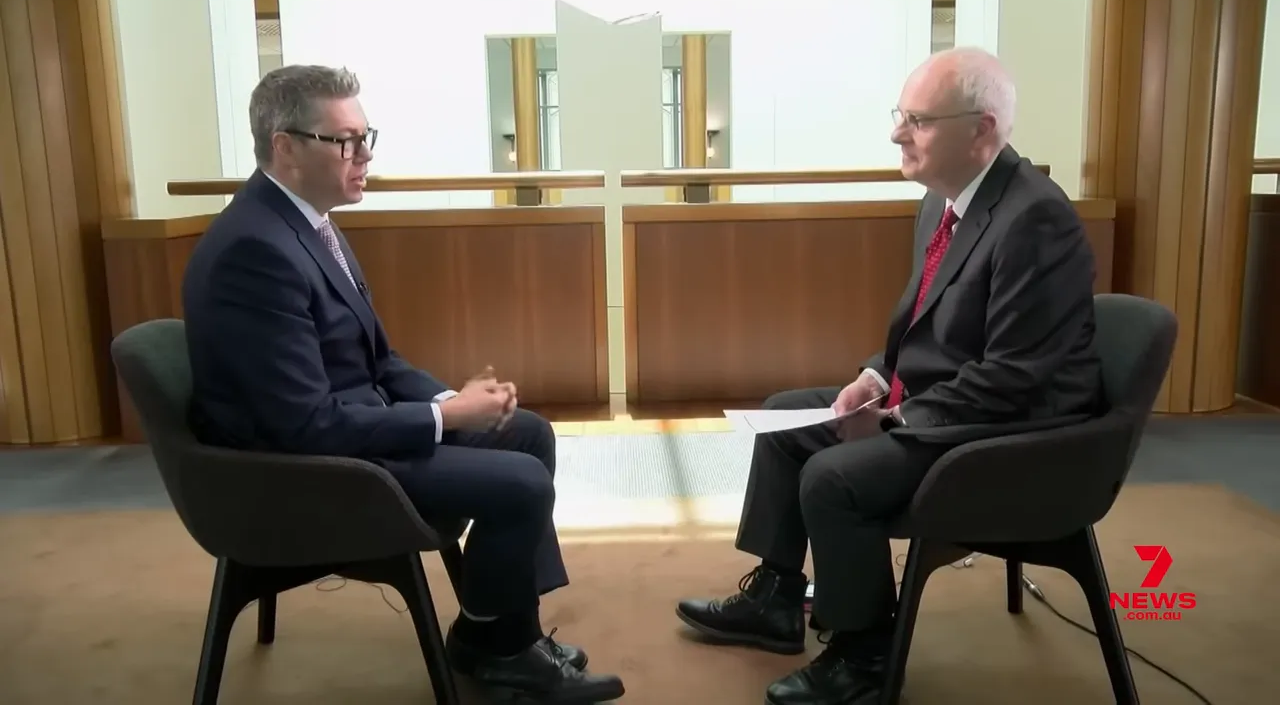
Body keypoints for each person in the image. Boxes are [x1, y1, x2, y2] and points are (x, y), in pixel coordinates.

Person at [182, 64, 625, 704]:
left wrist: (450, 400)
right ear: (285, 147)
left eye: (367, 137)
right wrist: (447, 421)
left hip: (344, 431)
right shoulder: (255, 251)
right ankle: (504, 651)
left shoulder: (308, 223)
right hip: (299, 472)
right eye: (345, 142)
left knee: (525, 434)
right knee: (522, 479)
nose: (364, 156)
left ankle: (495, 633)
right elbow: (304, 426)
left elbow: (378, 360)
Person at [675, 47, 1104, 704]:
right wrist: (875, 381)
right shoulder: (943, 202)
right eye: (901, 115)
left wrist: (895, 420)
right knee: (787, 418)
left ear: (982, 129)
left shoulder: (1035, 219)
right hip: (949, 401)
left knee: (834, 476)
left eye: (919, 120)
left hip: (1011, 432)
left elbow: (1016, 376)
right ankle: (779, 599)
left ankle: (865, 652)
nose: (897, 133)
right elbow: (923, 331)